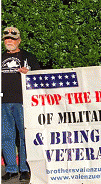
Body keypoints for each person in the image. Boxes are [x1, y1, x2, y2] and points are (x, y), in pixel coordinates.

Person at [1, 27, 41, 182]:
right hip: (3, 102)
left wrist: (29, 72)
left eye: (13, 38)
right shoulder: (1, 56)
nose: (9, 41)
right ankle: (11, 169)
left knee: (25, 136)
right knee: (6, 137)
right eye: (6, 38)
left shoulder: (28, 56)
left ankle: (25, 168)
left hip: (24, 102)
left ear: (19, 40)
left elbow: (39, 76)